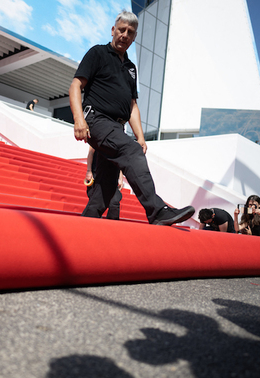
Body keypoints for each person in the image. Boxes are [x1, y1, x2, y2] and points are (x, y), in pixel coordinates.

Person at [69, 11, 194, 226]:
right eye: (121, 30)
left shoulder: (131, 69)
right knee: (131, 151)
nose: (125, 35)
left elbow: (132, 106)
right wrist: (79, 119)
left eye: (130, 32)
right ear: (113, 31)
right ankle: (157, 211)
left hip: (117, 128)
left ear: (134, 37)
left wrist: (141, 137)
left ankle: (82, 228)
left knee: (105, 188)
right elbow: (75, 86)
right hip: (97, 121)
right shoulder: (97, 53)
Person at [84, 147, 123, 220]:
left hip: (112, 176)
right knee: (94, 200)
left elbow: (119, 159)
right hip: (97, 174)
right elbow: (91, 153)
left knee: (115, 202)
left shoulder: (118, 140)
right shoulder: (98, 136)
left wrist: (120, 178)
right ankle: (90, 223)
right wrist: (89, 171)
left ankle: (112, 226)